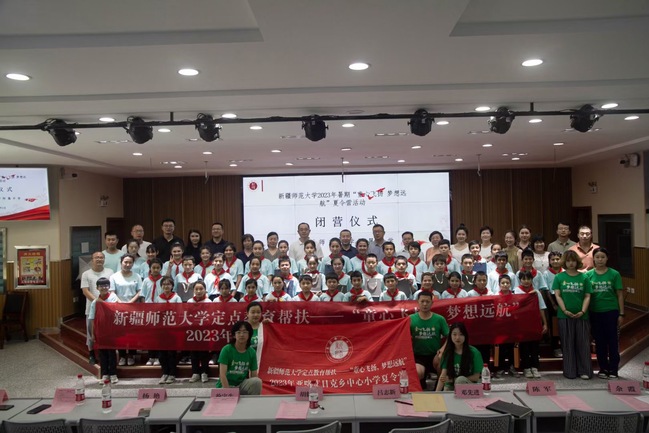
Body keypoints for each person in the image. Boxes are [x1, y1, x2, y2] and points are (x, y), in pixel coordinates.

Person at [553, 250, 593, 380]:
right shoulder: (559, 277)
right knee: (567, 344)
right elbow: (558, 295)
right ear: (564, 262)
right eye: (568, 261)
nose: (571, 263)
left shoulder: (584, 277)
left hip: (582, 315)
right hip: (564, 315)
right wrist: (564, 310)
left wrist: (582, 311)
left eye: (573, 261)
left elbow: (587, 296)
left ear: (577, 262)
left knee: (583, 344)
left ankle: (585, 371)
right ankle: (570, 371)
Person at [586, 248, 624, 379]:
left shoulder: (614, 274)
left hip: (611, 311)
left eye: (603, 257)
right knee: (599, 341)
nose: (600, 260)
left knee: (612, 341)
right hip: (595, 312)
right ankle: (603, 368)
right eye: (597, 257)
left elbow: (619, 294)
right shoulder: (588, 275)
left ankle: (613, 369)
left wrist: (621, 313)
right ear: (593, 259)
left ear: (607, 258)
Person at [410, 291, 449, 388]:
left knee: (442, 361)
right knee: (418, 372)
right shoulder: (410, 319)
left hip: (435, 355)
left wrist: (442, 349)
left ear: (432, 303)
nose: (425, 304)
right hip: (418, 356)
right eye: (422, 301)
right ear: (418, 302)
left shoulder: (439, 319)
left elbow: (449, 336)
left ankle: (439, 386)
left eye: (427, 302)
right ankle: (421, 382)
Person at [81, 251, 114, 365]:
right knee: (91, 332)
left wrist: (106, 303)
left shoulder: (110, 272)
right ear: (92, 260)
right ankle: (91, 354)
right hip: (91, 308)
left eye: (101, 257)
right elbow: (85, 291)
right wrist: (98, 301)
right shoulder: (86, 274)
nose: (99, 259)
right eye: (96, 257)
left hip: (107, 309)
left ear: (104, 259)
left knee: (107, 331)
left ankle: (105, 353)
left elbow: (112, 289)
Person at [109, 254, 142, 366]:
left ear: (133, 264)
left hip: (133, 308)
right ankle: (122, 355)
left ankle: (132, 354)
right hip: (119, 308)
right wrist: (121, 303)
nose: (127, 264)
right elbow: (112, 292)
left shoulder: (137, 276)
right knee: (120, 333)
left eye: (130, 262)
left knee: (132, 333)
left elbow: (139, 291)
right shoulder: (114, 276)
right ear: (121, 263)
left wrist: (131, 302)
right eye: (125, 262)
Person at [515, 270, 549, 379]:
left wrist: (545, 323)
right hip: (521, 324)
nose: (526, 281)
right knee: (524, 346)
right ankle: (526, 367)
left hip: (534, 323)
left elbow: (541, 308)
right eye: (524, 279)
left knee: (534, 346)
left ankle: (535, 367)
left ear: (532, 280)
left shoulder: (536, 292)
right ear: (520, 280)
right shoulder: (516, 291)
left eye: (528, 279)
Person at [216, 321, 262, 395]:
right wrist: (228, 394)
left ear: (249, 335)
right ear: (234, 335)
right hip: (225, 385)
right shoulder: (227, 349)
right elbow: (222, 375)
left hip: (241, 385)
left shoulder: (252, 352)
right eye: (238, 332)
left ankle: (253, 401)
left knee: (257, 381)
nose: (242, 335)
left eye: (245, 332)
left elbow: (254, 375)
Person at [88, 277, 120, 384]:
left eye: (106, 285)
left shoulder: (113, 297)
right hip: (100, 331)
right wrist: (93, 334)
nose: (104, 288)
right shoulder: (94, 302)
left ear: (109, 287)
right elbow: (92, 319)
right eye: (101, 286)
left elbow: (116, 311)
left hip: (112, 331)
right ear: (97, 288)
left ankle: (113, 374)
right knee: (103, 354)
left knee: (111, 353)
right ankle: (105, 374)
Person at [435, 323, 483, 391]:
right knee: (447, 390)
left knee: (460, 380)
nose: (457, 337)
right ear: (450, 336)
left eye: (461, 334)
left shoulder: (474, 353)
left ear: (465, 336)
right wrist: (436, 393)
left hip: (468, 386)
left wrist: (453, 379)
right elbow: (443, 377)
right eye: (454, 334)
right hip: (450, 386)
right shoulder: (447, 352)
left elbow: (476, 377)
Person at [155, 276, 181, 384]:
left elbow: (180, 312)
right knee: (162, 353)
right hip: (162, 330)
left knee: (171, 353)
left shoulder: (176, 298)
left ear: (172, 286)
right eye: (164, 284)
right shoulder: (158, 298)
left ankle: (172, 374)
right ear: (161, 286)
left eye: (168, 284)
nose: (166, 286)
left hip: (173, 329)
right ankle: (165, 372)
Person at [188, 281, 212, 383]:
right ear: (193, 290)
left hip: (205, 331)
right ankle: (195, 373)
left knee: (204, 353)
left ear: (205, 290)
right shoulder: (190, 301)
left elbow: (211, 316)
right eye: (196, 289)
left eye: (201, 289)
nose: (198, 291)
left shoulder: (209, 302)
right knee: (193, 353)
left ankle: (204, 372)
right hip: (192, 331)